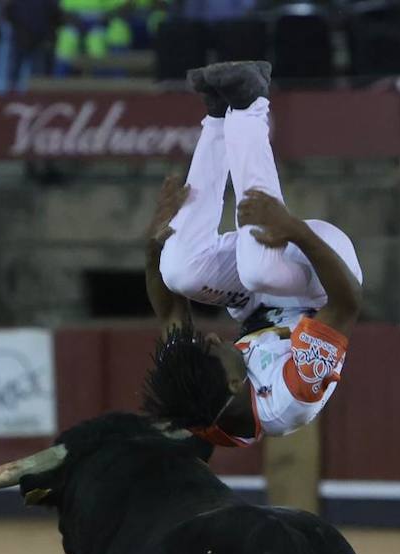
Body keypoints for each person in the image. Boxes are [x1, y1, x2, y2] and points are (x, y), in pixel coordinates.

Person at [142, 60, 363, 448]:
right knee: (259, 268)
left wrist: (157, 237)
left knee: (178, 272)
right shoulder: (292, 397)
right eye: (211, 351)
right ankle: (248, 103)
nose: (210, 339)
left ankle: (215, 117)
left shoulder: (194, 394)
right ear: (232, 383)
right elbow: (347, 304)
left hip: (256, 292)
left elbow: (171, 311)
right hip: (324, 274)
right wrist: (292, 228)